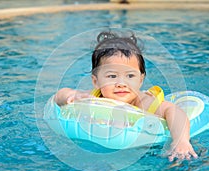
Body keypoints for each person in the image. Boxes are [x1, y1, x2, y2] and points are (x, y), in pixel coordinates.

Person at [54, 31, 198, 161]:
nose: (121, 83)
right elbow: (59, 97)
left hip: (152, 150)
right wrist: (74, 94)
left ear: (140, 80)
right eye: (112, 76)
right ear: (96, 81)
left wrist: (180, 141)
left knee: (191, 161)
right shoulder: (94, 98)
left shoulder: (144, 103)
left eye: (130, 75)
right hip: (109, 152)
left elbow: (175, 112)